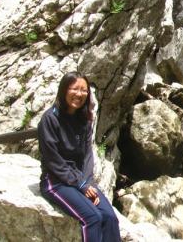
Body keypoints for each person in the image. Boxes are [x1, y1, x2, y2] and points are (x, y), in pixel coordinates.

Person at [38, 71, 121, 241]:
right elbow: (52, 160)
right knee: (93, 218)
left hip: (80, 179)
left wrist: (87, 183)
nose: (79, 94)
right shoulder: (50, 119)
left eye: (84, 91)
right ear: (64, 90)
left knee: (110, 218)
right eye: (75, 89)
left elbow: (87, 157)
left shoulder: (84, 120)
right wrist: (80, 184)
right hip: (55, 181)